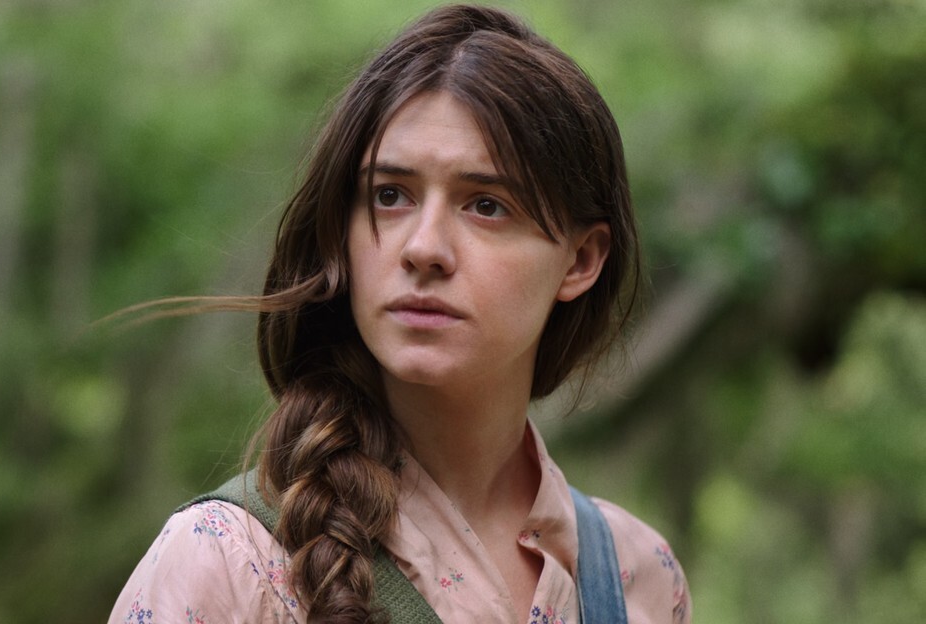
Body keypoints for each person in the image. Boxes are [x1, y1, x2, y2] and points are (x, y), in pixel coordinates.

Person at [109, 4, 691, 623]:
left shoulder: (639, 578)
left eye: (486, 205)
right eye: (389, 196)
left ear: (581, 259)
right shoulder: (229, 561)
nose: (423, 247)